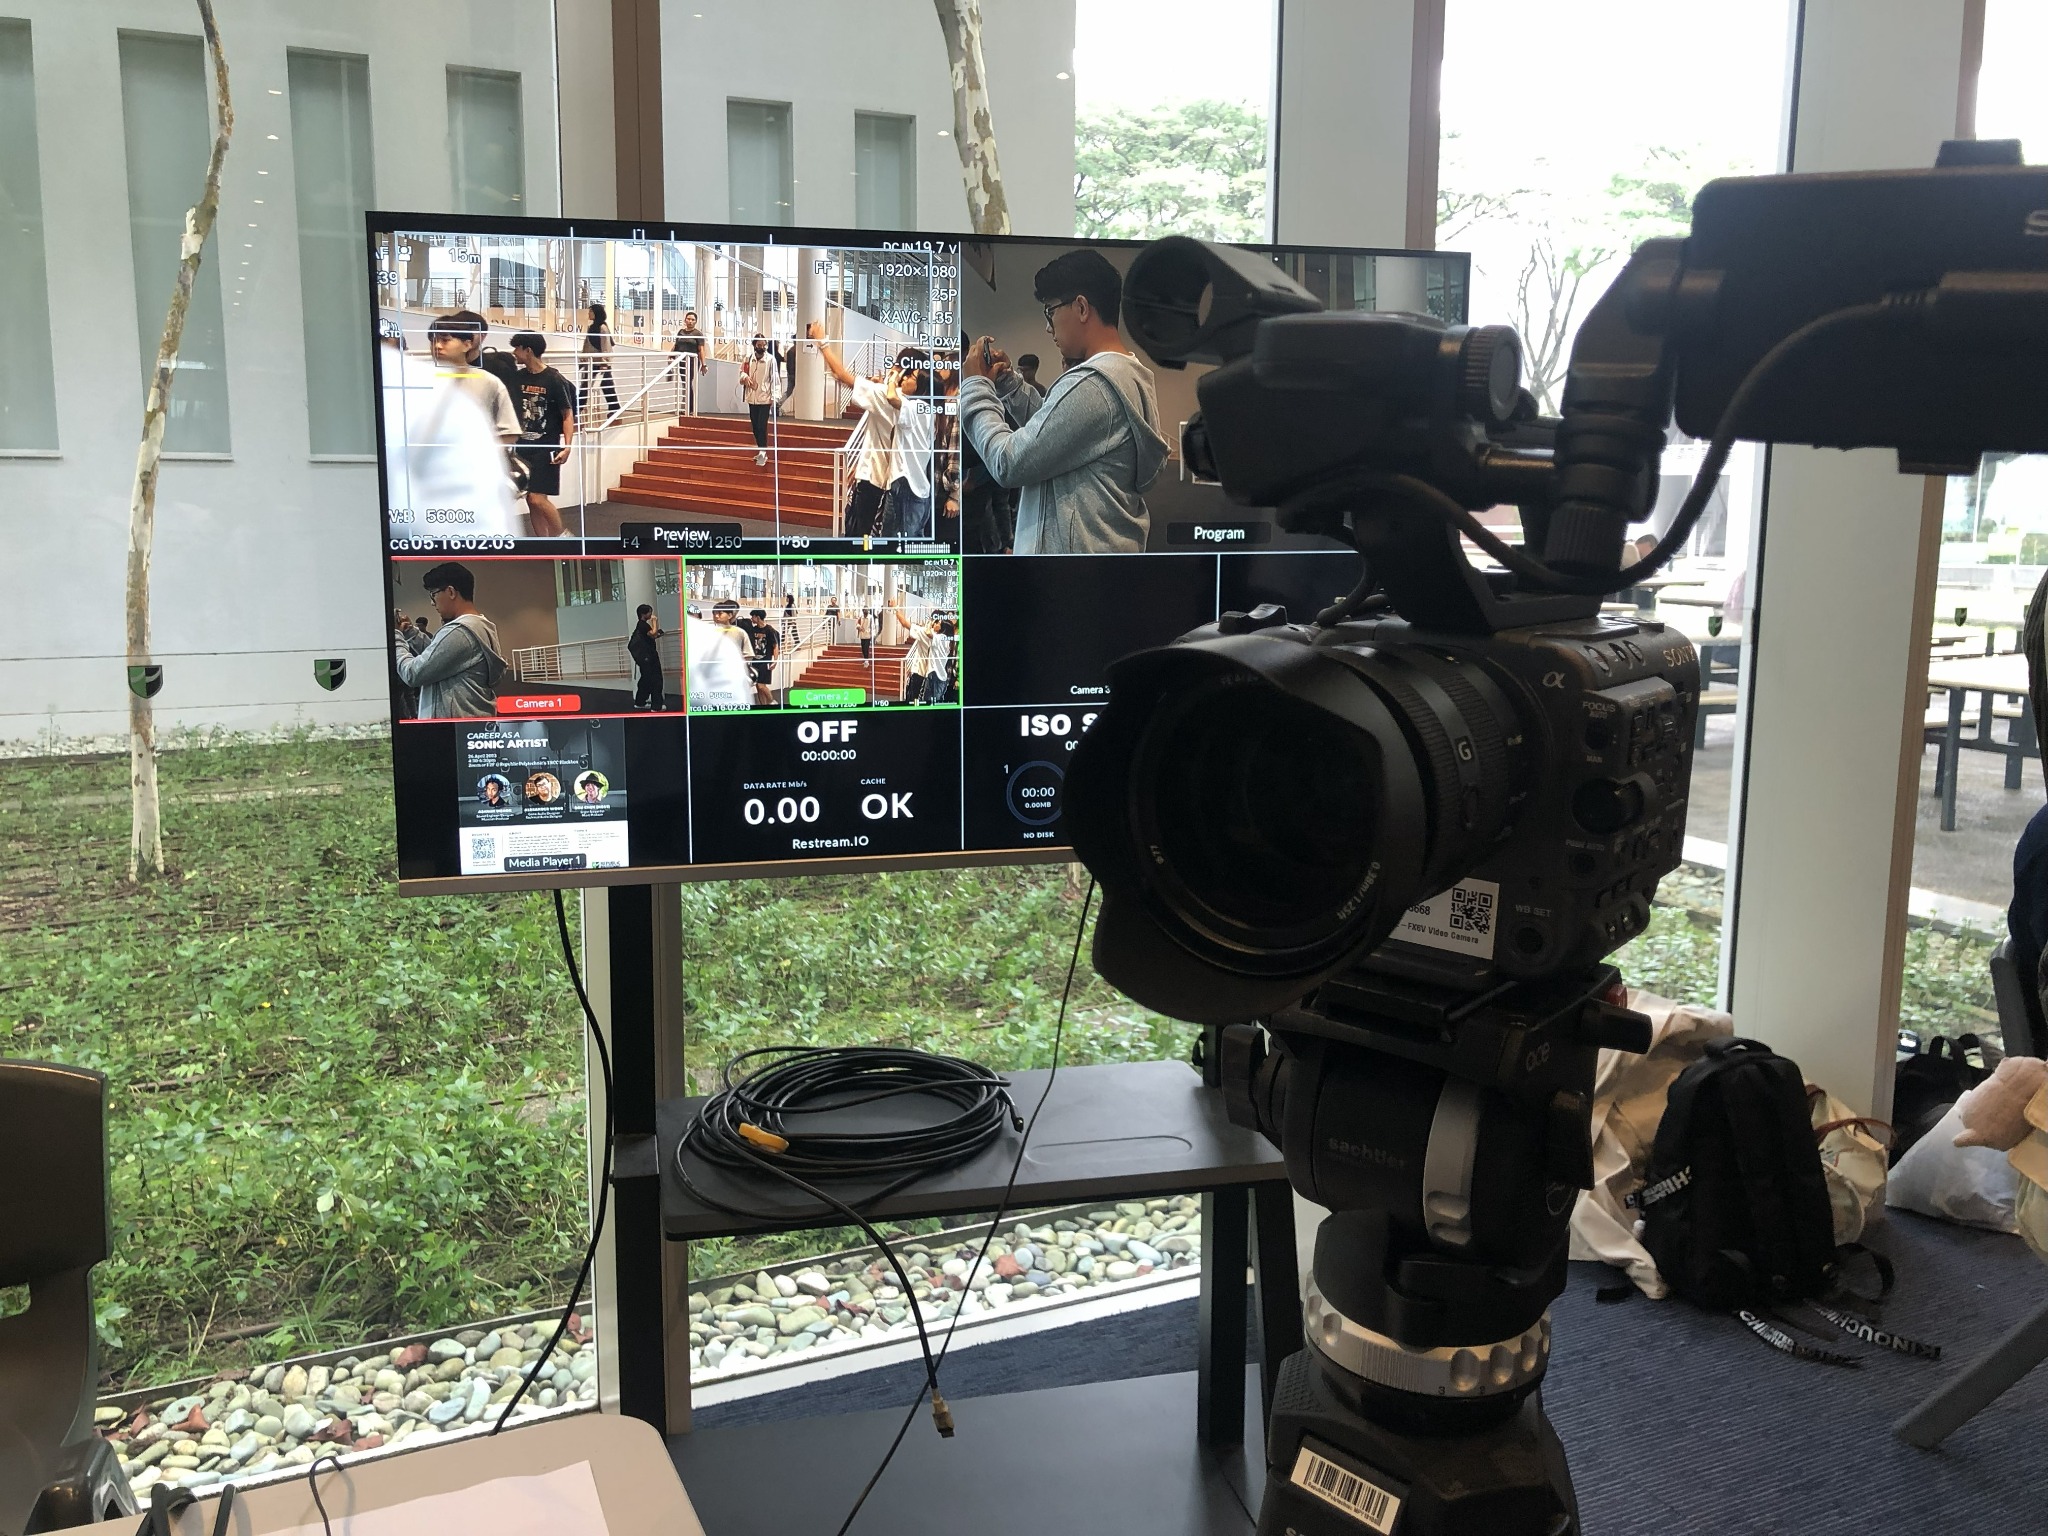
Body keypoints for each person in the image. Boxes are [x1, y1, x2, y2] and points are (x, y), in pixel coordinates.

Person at [962, 250, 1168, 554]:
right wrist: (1007, 383)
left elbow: (1008, 462)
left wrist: (974, 386)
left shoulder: (1095, 385)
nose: (1049, 327)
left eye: (1050, 311)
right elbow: (1054, 433)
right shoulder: (1124, 374)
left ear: (1081, 307)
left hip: (1069, 575)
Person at [808, 321, 901, 538]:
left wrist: (821, 342)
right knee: (867, 535)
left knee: (859, 536)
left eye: (895, 370)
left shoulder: (885, 396)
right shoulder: (911, 403)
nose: (890, 373)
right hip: (884, 480)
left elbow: (841, 374)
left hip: (874, 482)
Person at [393, 562, 509, 719]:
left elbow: (412, 674)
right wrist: (410, 633)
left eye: (433, 594)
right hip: (469, 724)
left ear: (451, 592)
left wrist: (395, 636)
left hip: (452, 728)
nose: (432, 602)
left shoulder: (460, 632)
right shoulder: (479, 626)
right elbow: (437, 656)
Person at [508, 332, 577, 537]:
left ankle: (563, 538)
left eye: (517, 348)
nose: (514, 353)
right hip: (522, 448)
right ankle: (544, 543)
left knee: (537, 498)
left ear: (528, 350)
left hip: (545, 448)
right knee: (531, 500)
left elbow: (567, 415)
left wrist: (567, 446)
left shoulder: (554, 379)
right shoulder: (517, 378)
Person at [884, 349, 934, 539]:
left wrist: (893, 378)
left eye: (910, 376)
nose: (904, 379)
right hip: (918, 488)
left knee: (895, 544)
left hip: (906, 484)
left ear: (921, 384)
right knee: (912, 542)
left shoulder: (915, 407)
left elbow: (891, 397)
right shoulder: (927, 408)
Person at [740, 337, 779, 466]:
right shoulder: (748, 358)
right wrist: (745, 376)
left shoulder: (771, 360)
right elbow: (742, 371)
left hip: (765, 397)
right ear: (754, 345)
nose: (762, 347)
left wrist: (774, 396)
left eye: (764, 345)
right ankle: (760, 449)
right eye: (759, 344)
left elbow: (775, 378)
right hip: (752, 397)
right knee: (755, 426)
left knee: (762, 425)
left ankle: (763, 452)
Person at [581, 302, 619, 420]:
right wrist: (583, 358)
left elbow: (606, 345)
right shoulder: (591, 327)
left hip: (601, 364)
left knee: (607, 387)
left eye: (591, 311)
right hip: (591, 363)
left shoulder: (602, 328)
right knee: (585, 386)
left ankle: (615, 408)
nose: (589, 314)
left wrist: (605, 363)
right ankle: (578, 408)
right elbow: (587, 344)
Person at [629, 602, 665, 711]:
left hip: (644, 658)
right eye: (649, 612)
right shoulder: (643, 625)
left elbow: (650, 636)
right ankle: (656, 707)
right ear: (643, 614)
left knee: (646, 680)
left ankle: (640, 702)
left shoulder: (640, 625)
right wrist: (654, 621)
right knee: (656, 680)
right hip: (650, 657)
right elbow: (653, 633)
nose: (651, 614)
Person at [745, 607, 780, 706]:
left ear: (758, 617)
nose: (751, 618)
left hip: (765, 661)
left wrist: (775, 661)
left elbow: (775, 646)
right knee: (758, 687)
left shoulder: (769, 630)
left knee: (761, 686)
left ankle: (772, 702)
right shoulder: (753, 629)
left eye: (753, 616)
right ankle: (763, 707)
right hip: (755, 661)